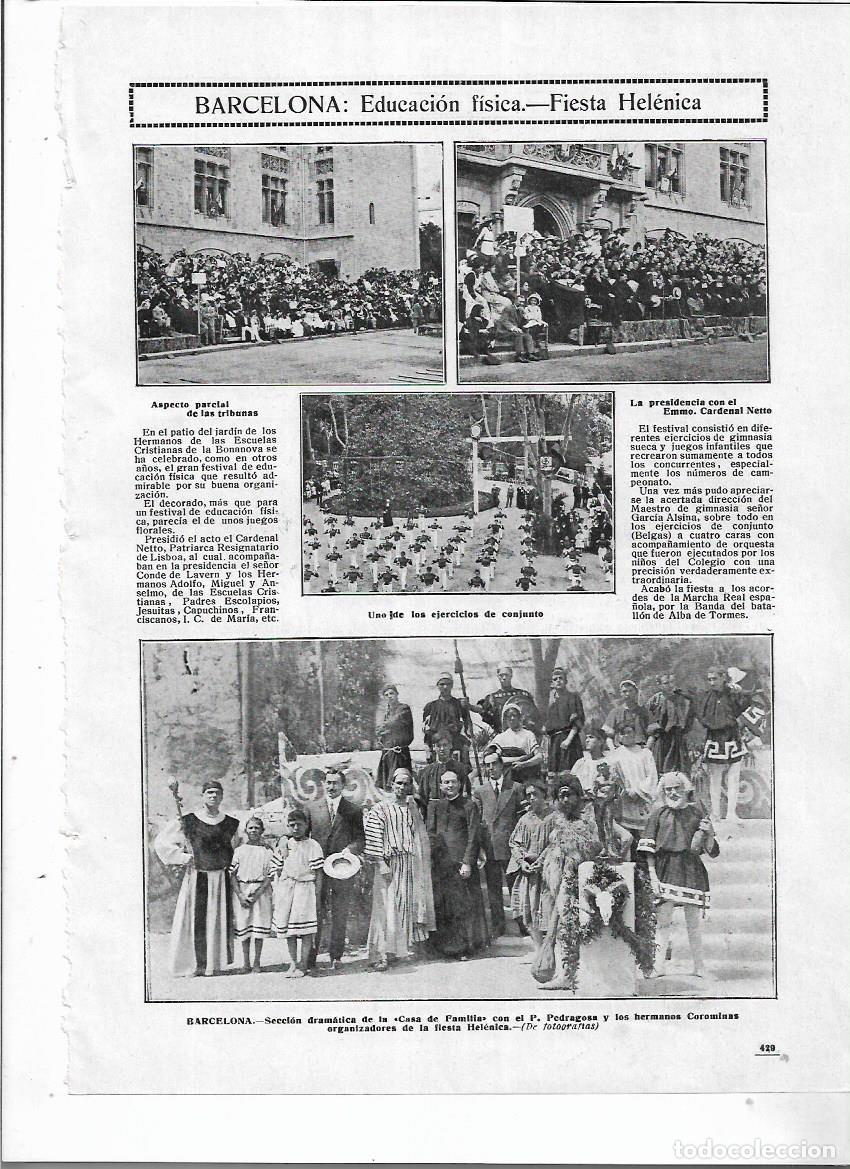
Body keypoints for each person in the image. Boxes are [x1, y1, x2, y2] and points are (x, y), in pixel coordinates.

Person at [154, 780, 240, 977]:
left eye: (217, 793)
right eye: (209, 792)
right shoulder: (189, 821)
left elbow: (239, 848)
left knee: (215, 920)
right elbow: (162, 843)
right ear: (203, 796)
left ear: (222, 796)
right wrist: (183, 857)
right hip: (197, 877)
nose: (213, 796)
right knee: (196, 920)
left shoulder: (230, 823)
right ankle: (195, 964)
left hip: (220, 879)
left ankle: (212, 964)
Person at [639, 771, 719, 979]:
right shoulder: (658, 814)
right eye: (668, 789)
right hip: (665, 869)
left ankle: (699, 966)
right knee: (663, 921)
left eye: (677, 788)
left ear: (685, 790)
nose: (673, 793)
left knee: (693, 922)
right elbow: (648, 850)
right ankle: (659, 966)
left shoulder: (696, 813)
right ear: (663, 792)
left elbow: (711, 850)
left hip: (690, 869)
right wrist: (652, 876)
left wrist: (709, 833)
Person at [364, 769, 435, 970]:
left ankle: (399, 951)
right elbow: (374, 838)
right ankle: (381, 954)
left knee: (404, 907)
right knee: (385, 908)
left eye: (406, 784)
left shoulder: (413, 809)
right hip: (389, 863)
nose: (402, 788)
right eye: (399, 783)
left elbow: (419, 838)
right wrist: (381, 864)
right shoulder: (381, 809)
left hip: (411, 863)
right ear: (391, 784)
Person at [306, 770, 365, 971]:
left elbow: (360, 839)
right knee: (316, 911)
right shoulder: (312, 809)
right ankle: (310, 957)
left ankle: (336, 956)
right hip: (318, 869)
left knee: (340, 911)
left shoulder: (353, 810)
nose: (331, 787)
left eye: (335, 783)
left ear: (343, 786)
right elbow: (303, 838)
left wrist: (350, 850)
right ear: (323, 785)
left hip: (342, 867)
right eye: (328, 783)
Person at [427, 771, 488, 959]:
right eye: (446, 782)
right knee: (445, 906)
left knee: (464, 906)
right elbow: (430, 832)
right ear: (440, 785)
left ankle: (466, 947)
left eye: (453, 782)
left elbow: (473, 836)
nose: (449, 786)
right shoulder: (435, 806)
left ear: (460, 784)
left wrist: (468, 862)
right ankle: (444, 949)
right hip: (441, 865)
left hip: (462, 865)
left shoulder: (469, 805)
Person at [473, 744, 524, 936]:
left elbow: (521, 818)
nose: (490, 768)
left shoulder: (516, 788)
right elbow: (477, 821)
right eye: (487, 765)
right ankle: (498, 926)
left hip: (511, 847)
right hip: (490, 846)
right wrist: (480, 847)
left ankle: (522, 923)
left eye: (494, 764)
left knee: (515, 886)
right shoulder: (480, 791)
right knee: (494, 890)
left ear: (502, 766)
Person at [271, 808, 325, 978]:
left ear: (306, 825)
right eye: (292, 825)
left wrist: (317, 895)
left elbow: (319, 874)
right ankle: (293, 963)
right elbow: (276, 868)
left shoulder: (313, 845)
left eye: (299, 825)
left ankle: (303, 963)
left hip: (305, 889)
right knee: (289, 930)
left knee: (306, 929)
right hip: (287, 889)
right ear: (288, 826)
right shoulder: (285, 844)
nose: (296, 828)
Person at [697, 667, 748, 823]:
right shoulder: (707, 697)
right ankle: (716, 813)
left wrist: (739, 692)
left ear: (723, 678)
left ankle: (732, 813)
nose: (712, 682)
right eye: (709, 679)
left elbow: (745, 706)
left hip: (732, 738)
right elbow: (702, 717)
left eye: (715, 679)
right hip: (715, 739)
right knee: (715, 779)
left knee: (734, 778)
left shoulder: (734, 693)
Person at [230, 815, 275, 973]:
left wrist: (257, 893)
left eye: (257, 828)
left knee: (258, 927)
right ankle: (246, 963)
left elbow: (271, 875)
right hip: (242, 890)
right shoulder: (239, 851)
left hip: (261, 892)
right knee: (244, 927)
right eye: (251, 828)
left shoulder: (267, 851)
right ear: (246, 831)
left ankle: (257, 962)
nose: (254, 830)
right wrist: (240, 896)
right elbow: (232, 875)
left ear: (262, 830)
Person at [507, 783, 550, 946]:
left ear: (545, 796)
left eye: (535, 794)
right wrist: (522, 861)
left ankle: (552, 951)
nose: (531, 798)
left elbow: (555, 844)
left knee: (548, 910)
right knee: (530, 912)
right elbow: (514, 843)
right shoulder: (524, 819)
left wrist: (541, 861)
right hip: (529, 873)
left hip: (547, 873)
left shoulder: (554, 818)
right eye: (528, 795)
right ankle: (539, 950)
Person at [607, 722, 659, 852]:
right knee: (626, 836)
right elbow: (613, 776)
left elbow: (652, 776)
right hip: (624, 800)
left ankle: (646, 864)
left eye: (629, 732)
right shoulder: (615, 755)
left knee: (644, 836)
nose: (626, 735)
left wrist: (638, 791)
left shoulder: (645, 753)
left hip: (642, 799)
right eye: (622, 733)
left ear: (635, 734)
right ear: (618, 736)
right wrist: (624, 791)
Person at [470, 664, 540, 735]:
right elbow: (481, 708)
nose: (504, 678)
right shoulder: (493, 697)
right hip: (503, 735)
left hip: (523, 734)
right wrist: (469, 706)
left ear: (511, 676)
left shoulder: (523, 694)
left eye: (506, 675)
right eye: (501, 675)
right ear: (498, 677)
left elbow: (533, 713)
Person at [647, 673, 695, 774]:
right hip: (661, 738)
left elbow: (689, 715)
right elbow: (648, 718)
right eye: (666, 683)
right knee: (661, 765)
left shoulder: (681, 698)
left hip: (677, 736)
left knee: (680, 765)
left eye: (671, 682)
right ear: (659, 685)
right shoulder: (655, 700)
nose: (670, 685)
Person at [544, 665, 585, 777]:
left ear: (565, 680)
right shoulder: (552, 705)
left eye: (561, 678)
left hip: (569, 741)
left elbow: (577, 722)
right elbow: (548, 731)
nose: (558, 681)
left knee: (570, 774)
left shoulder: (573, 698)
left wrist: (568, 740)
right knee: (555, 777)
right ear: (552, 683)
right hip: (555, 745)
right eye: (555, 679)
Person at [416, 730, 471, 807]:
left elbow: (466, 795)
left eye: (445, 745)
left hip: (456, 812)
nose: (442, 749)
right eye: (438, 745)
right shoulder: (428, 771)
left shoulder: (460, 769)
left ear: (450, 745)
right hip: (434, 813)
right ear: (434, 747)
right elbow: (422, 798)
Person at [422, 672, 469, 762]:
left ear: (452, 685)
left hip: (454, 743)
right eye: (442, 684)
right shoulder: (431, 706)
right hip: (437, 745)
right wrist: (428, 747)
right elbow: (426, 729)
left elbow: (467, 726)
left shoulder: (458, 704)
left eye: (448, 684)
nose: (445, 687)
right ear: (437, 686)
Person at [376, 683, 414, 789]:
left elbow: (395, 722)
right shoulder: (386, 713)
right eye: (386, 695)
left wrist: (383, 727)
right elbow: (378, 732)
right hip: (387, 754)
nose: (389, 696)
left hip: (400, 754)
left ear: (397, 694)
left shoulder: (404, 709)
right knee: (385, 785)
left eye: (391, 693)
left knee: (401, 782)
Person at [492, 702, 543, 781]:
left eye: (514, 715)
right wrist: (517, 759)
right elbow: (492, 757)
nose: (512, 718)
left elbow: (539, 757)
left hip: (526, 776)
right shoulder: (500, 738)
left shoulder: (528, 735)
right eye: (509, 716)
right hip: (507, 778)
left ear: (519, 717)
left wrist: (523, 764)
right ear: (505, 719)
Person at [604, 679, 651, 745]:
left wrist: (646, 750)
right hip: (622, 751)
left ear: (636, 692)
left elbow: (652, 735)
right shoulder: (615, 712)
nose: (628, 694)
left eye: (631, 691)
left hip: (640, 749)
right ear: (621, 694)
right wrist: (614, 752)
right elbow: (608, 737)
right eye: (624, 691)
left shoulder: (644, 711)